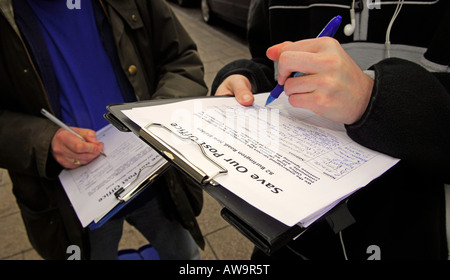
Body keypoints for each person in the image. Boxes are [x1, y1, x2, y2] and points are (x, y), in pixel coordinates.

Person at [212, 0, 450, 259]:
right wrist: (247, 78)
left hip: (411, 234)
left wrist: (372, 96)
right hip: (288, 239)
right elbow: (268, 65)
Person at [0, 0, 207, 260]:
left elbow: (181, 60)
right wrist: (43, 141)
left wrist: (158, 118)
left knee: (185, 256)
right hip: (73, 204)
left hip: (157, 180)